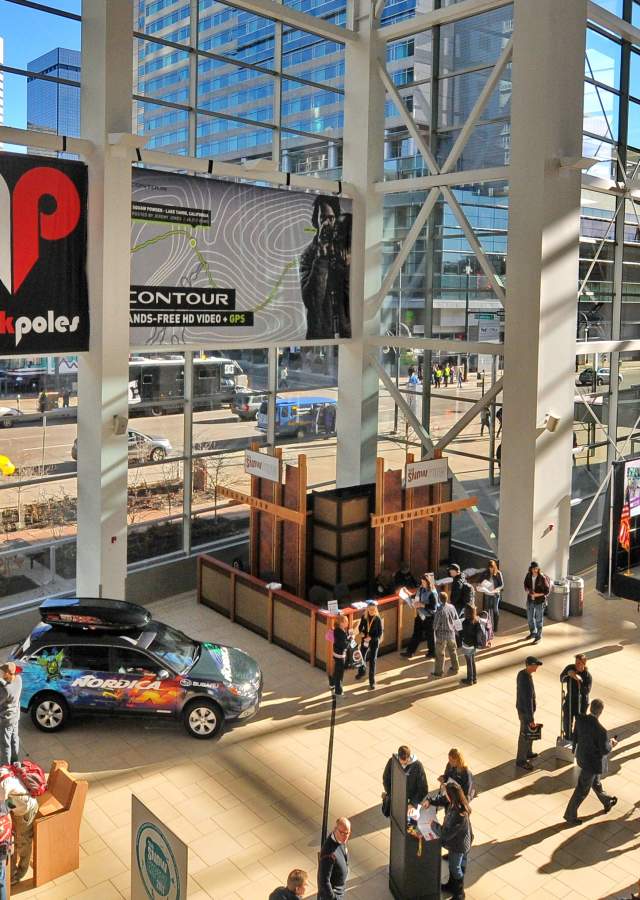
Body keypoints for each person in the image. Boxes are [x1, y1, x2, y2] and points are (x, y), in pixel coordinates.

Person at [300, 195, 351, 340]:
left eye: (331, 218)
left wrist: (346, 267)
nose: (327, 223)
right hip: (319, 338)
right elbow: (312, 301)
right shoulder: (308, 255)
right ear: (315, 221)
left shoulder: (346, 251)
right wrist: (321, 259)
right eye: (322, 218)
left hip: (346, 334)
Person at [563, 699, 618, 826]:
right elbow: (605, 750)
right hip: (592, 764)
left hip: (582, 757)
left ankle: (607, 801)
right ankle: (570, 815)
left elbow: (575, 735)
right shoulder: (601, 731)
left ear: (590, 708)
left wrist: (575, 749)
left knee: (596, 783)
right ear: (601, 712)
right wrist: (612, 744)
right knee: (582, 789)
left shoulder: (580, 719)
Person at [424, 780, 473, 899]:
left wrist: (433, 825)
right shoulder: (456, 801)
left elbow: (446, 834)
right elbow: (441, 799)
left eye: (447, 794)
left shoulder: (459, 814)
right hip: (458, 841)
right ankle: (452, 885)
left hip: (458, 844)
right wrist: (430, 801)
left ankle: (459, 893)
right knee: (454, 864)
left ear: (451, 796)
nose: (445, 795)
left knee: (455, 867)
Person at [0, 766, 38, 885]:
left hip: (25, 811)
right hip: (18, 805)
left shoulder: (2, 787)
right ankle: (13, 865)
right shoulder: (2, 771)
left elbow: (1, 810)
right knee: (15, 838)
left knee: (23, 842)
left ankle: (21, 872)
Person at [401, 573, 438, 659]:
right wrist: (407, 593)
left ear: (428, 582)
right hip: (420, 615)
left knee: (430, 636)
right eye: (421, 582)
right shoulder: (421, 589)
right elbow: (415, 597)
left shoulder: (432, 593)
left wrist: (422, 605)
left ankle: (432, 652)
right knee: (416, 634)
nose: (422, 584)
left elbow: (433, 608)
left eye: (424, 582)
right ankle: (410, 652)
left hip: (429, 617)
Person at [382, 745, 428, 814]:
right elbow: (386, 779)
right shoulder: (392, 761)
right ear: (398, 757)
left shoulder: (417, 766)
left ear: (409, 757)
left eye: (406, 763)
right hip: (397, 799)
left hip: (411, 801)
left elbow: (423, 788)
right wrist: (391, 794)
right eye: (401, 763)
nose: (403, 765)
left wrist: (412, 803)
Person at [516, 656, 542, 770]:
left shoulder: (523, 674)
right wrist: (530, 717)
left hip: (527, 710)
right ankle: (521, 760)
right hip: (526, 712)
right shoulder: (524, 679)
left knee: (529, 733)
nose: (537, 667)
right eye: (535, 665)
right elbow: (527, 700)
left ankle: (528, 752)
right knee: (524, 735)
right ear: (529, 665)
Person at [560, 654, 592, 745]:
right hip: (570, 699)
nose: (576, 665)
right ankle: (568, 736)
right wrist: (569, 674)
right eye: (576, 663)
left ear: (584, 664)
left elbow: (586, 691)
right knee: (566, 719)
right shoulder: (570, 668)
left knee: (579, 723)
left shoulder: (587, 676)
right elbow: (561, 678)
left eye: (579, 663)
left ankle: (576, 739)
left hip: (581, 703)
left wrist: (579, 680)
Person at [317, 817, 350, 899]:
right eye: (342, 833)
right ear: (335, 829)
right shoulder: (328, 853)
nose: (345, 836)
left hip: (340, 890)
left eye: (347, 833)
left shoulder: (341, 840)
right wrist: (333, 898)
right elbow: (323, 881)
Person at [356, 600, 383, 689]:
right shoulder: (364, 617)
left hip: (374, 641)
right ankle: (361, 672)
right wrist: (361, 633)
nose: (371, 611)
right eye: (370, 610)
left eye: (373, 610)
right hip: (365, 639)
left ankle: (372, 681)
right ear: (367, 609)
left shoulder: (377, 619)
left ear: (375, 610)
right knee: (361, 656)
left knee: (372, 660)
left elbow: (379, 633)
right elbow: (360, 627)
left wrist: (371, 637)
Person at [433, 592, 460, 678]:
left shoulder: (439, 610)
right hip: (451, 634)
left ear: (439, 600)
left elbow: (435, 625)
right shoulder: (452, 607)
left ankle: (438, 672)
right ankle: (455, 667)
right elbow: (456, 619)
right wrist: (457, 630)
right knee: (453, 651)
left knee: (440, 654)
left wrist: (434, 630)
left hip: (441, 636)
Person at [524, 561, 550, 644]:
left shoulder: (542, 578)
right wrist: (529, 592)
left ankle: (538, 637)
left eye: (536, 569)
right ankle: (533, 633)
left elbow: (547, 591)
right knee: (530, 618)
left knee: (539, 620)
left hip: (539, 601)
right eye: (533, 569)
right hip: (530, 600)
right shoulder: (528, 576)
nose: (535, 570)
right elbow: (525, 585)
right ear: (531, 569)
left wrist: (537, 595)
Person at [0, 664, 21, 767]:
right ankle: (15, 762)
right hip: (15, 716)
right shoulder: (19, 679)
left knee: (5, 744)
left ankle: (6, 766)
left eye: (3, 672)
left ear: (8, 673)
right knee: (14, 739)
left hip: (6, 720)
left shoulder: (5, 689)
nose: (2, 674)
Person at [460, 604, 482, 686]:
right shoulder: (476, 621)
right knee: (472, 661)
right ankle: (474, 678)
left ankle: (470, 679)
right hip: (474, 645)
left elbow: (463, 634)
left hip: (467, 645)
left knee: (469, 662)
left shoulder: (465, 622)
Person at [329, 615, 350, 697]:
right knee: (340, 674)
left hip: (336, 653)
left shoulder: (337, 630)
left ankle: (332, 683)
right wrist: (350, 639)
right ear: (341, 623)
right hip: (340, 655)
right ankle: (338, 691)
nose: (347, 623)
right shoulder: (341, 633)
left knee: (337, 670)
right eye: (346, 621)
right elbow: (344, 645)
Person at [482, 559, 504, 633]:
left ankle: (495, 627)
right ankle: (487, 626)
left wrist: (496, 589)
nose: (490, 569)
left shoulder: (498, 573)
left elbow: (502, 585)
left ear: (494, 567)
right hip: (487, 594)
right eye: (489, 568)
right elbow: (481, 581)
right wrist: (481, 585)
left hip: (495, 594)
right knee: (486, 610)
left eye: (492, 568)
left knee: (495, 610)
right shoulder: (486, 573)